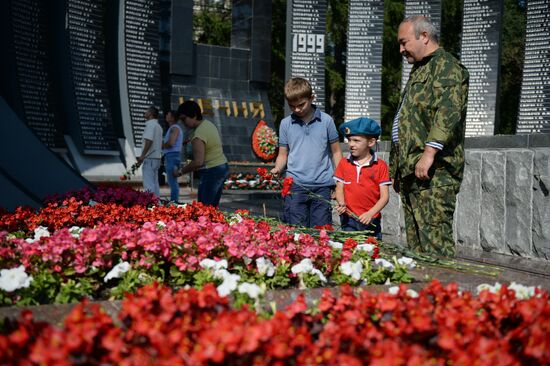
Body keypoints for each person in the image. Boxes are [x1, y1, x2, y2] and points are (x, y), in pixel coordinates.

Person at [390, 15, 469, 257]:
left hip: (434, 175)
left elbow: (447, 113)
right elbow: (409, 118)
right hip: (412, 172)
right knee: (417, 251)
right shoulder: (420, 68)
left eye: (404, 42)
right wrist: (397, 168)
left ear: (424, 36)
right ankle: (424, 293)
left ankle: (443, 293)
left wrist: (428, 154)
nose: (401, 49)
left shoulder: (447, 67)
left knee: (436, 249)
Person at [271, 77, 343, 227]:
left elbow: (336, 152)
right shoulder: (285, 124)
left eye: (301, 105)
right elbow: (283, 154)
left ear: (311, 98)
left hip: (322, 185)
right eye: (292, 106)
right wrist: (278, 168)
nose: (297, 109)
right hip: (295, 185)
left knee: (321, 232)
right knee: (297, 232)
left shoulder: (326, 121)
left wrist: (340, 182)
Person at [334, 117, 391, 238]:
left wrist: (370, 214)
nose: (351, 144)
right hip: (349, 218)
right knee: (349, 251)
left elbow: (385, 196)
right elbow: (339, 188)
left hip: (370, 220)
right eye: (349, 140)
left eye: (356, 140)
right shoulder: (344, 163)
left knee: (372, 252)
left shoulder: (381, 165)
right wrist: (341, 203)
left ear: (371, 142)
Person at [174, 100, 228, 207]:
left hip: (211, 171)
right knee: (211, 208)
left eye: (184, 119)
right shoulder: (207, 124)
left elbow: (198, 162)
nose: (183, 123)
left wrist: (180, 171)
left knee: (204, 209)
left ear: (194, 115)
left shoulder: (198, 134)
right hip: (220, 167)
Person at [137, 106, 163, 198]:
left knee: (149, 184)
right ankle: (156, 204)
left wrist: (142, 155)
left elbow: (149, 140)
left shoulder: (151, 125)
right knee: (155, 183)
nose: (145, 113)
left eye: (146, 111)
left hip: (150, 158)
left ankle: (151, 204)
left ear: (151, 114)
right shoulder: (158, 126)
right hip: (156, 158)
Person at [162, 110, 184, 202]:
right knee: (172, 181)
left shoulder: (174, 128)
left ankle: (174, 202)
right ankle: (174, 201)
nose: (166, 115)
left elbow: (171, 143)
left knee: (172, 182)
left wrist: (160, 145)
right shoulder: (173, 128)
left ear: (172, 118)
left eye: (168, 114)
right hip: (172, 156)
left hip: (172, 156)